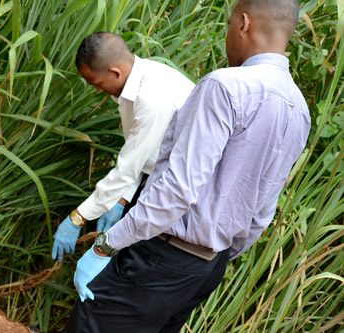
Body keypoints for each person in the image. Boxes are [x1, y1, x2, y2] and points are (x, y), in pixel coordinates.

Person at [65, 0, 311, 332]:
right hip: (208, 267)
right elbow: (262, 209)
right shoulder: (299, 109)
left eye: (227, 25)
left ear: (243, 23)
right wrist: (217, 250)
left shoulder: (225, 86)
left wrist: (106, 244)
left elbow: (177, 191)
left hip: (163, 254)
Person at [51, 32, 195, 262]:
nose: (98, 90)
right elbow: (141, 152)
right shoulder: (135, 85)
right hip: (161, 178)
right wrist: (121, 199)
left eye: (97, 83)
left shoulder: (153, 97)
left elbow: (128, 167)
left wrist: (77, 218)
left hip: (188, 197)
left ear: (115, 72)